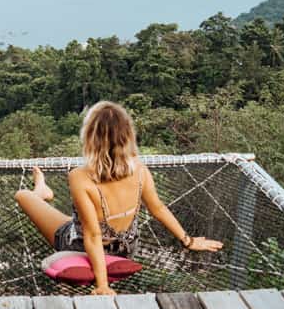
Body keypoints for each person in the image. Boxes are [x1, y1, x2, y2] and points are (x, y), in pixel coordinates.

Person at [15, 100, 223, 295]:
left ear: (89, 139)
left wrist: (102, 285)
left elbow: (93, 236)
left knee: (23, 195)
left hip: (81, 247)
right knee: (74, 222)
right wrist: (188, 240)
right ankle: (43, 195)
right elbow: (158, 208)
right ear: (127, 138)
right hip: (125, 250)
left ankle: (40, 191)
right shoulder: (140, 170)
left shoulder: (79, 176)